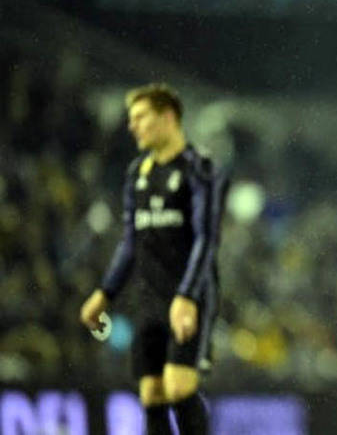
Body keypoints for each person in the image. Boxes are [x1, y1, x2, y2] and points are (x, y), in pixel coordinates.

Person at [80, 83, 228, 434]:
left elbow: (207, 238)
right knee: (152, 395)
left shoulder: (199, 168)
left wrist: (187, 297)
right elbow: (131, 242)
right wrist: (104, 294)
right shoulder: (137, 175)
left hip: (190, 297)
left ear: (167, 117)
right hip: (148, 298)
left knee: (179, 388)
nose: (133, 126)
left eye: (140, 117)